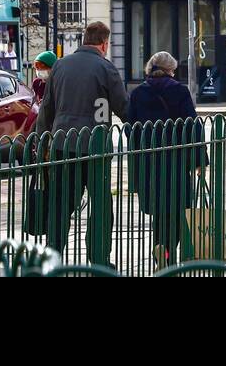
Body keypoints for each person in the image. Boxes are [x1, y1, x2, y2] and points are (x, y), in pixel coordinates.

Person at [36, 20, 128, 267]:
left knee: (61, 204)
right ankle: (98, 259)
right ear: (104, 43)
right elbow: (123, 106)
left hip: (62, 145)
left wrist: (42, 142)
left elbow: (47, 108)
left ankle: (53, 258)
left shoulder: (60, 66)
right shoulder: (105, 68)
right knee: (100, 205)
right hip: (95, 147)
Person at [127, 51, 207, 267]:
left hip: (149, 163)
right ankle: (169, 250)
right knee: (179, 208)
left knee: (159, 210)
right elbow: (192, 125)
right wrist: (199, 160)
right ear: (171, 70)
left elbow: (130, 130)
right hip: (176, 160)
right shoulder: (178, 91)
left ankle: (161, 248)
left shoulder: (137, 93)